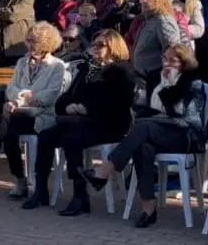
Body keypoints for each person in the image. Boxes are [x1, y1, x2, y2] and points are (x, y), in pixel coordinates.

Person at [82, 45, 207, 228]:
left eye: (173, 60)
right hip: (153, 130)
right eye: (165, 58)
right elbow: (143, 107)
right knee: (142, 146)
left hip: (183, 134)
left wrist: (169, 87)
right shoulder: (156, 77)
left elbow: (182, 114)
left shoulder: (192, 82)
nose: (167, 63)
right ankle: (148, 209)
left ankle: (106, 169)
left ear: (183, 62)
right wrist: (141, 98)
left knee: (144, 127)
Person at [23, 29, 135, 213]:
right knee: (46, 136)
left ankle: (80, 195)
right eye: (94, 45)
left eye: (101, 45)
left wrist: (88, 108)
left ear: (113, 47)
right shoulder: (88, 69)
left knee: (72, 139)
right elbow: (68, 95)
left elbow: (117, 103)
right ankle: (41, 189)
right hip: (80, 121)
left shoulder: (122, 71)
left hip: (109, 124)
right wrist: (69, 106)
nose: (95, 49)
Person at [0, 22, 64, 197]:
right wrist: (20, 99)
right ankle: (15, 178)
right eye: (28, 40)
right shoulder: (22, 62)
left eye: (34, 41)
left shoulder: (57, 66)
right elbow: (11, 89)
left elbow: (50, 96)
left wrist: (20, 100)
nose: (29, 44)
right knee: (8, 129)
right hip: (19, 114)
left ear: (46, 44)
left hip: (41, 116)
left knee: (5, 121)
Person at [126, 0, 181, 96]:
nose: (144, 1)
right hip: (142, 78)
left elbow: (173, 52)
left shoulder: (163, 21)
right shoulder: (148, 19)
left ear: (159, 0)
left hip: (155, 80)